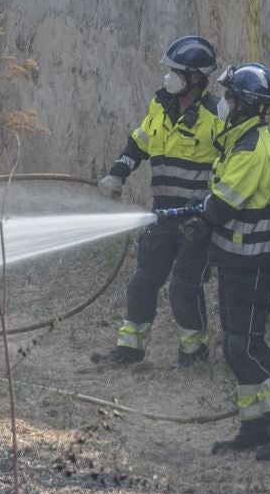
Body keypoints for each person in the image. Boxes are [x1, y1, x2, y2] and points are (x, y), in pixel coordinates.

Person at [93, 35, 223, 366]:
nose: (168, 77)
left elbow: (231, 166)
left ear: (195, 78)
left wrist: (210, 216)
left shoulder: (217, 115)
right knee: (142, 281)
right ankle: (129, 349)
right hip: (162, 215)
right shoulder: (161, 106)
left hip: (197, 222)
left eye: (176, 72)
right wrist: (117, 172)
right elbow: (140, 142)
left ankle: (194, 352)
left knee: (183, 287)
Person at [200, 61, 270, 461]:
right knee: (233, 346)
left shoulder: (251, 150)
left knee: (246, 347)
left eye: (228, 97)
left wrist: (197, 216)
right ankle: (254, 426)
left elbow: (221, 207)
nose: (223, 103)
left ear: (243, 104)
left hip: (253, 263)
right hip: (235, 259)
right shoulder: (238, 143)